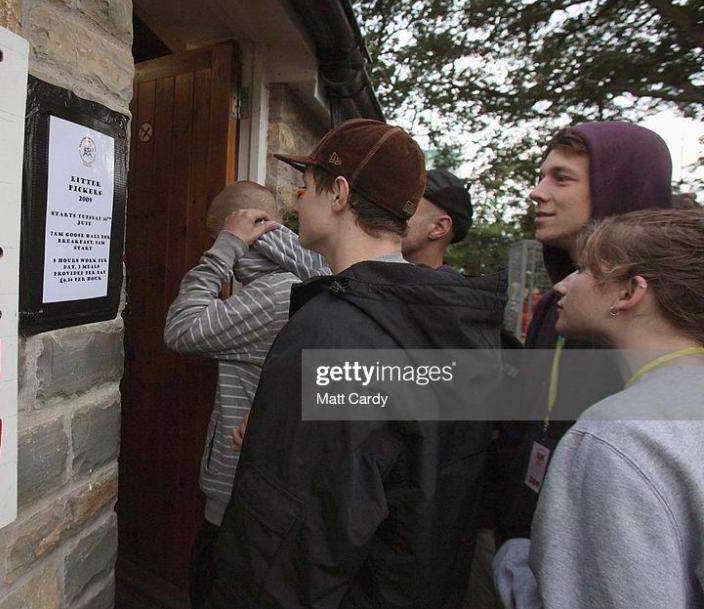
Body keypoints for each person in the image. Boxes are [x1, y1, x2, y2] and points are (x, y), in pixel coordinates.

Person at [204, 119, 507, 609]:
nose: (295, 201)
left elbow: (291, 542)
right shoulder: (451, 323)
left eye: (305, 187)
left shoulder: (334, 332)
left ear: (339, 193)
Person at [493, 208, 704, 609]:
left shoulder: (617, 436)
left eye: (584, 270)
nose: (562, 286)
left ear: (628, 292)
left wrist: (514, 562)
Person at [493, 122, 672, 544]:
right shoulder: (551, 308)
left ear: (620, 188)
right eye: (540, 177)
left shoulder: (671, 321)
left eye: (562, 178)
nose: (537, 193)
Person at [162, 180, 286, 609]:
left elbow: (180, 331)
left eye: (216, 237)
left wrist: (222, 251)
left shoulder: (273, 295)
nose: (216, 248)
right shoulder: (287, 283)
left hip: (238, 503)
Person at [254, 167, 474, 279]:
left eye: (408, 207)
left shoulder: (445, 305)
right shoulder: (363, 274)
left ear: (439, 228)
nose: (392, 211)